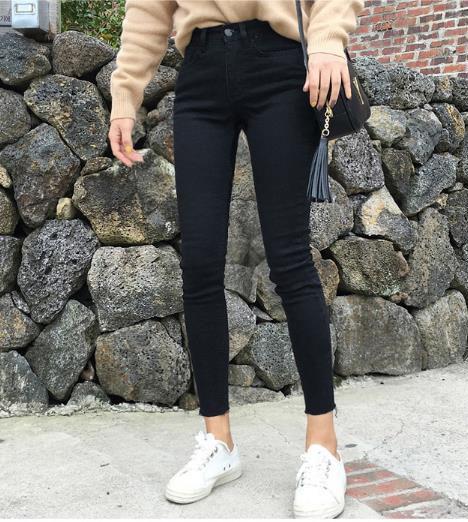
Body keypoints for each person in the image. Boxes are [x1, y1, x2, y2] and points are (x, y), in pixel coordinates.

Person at [108, 0, 364, 518]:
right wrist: (125, 96)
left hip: (282, 64)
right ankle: (217, 440)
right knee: (199, 264)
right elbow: (148, 9)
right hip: (201, 74)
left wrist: (328, 39)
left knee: (290, 258)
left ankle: (324, 447)